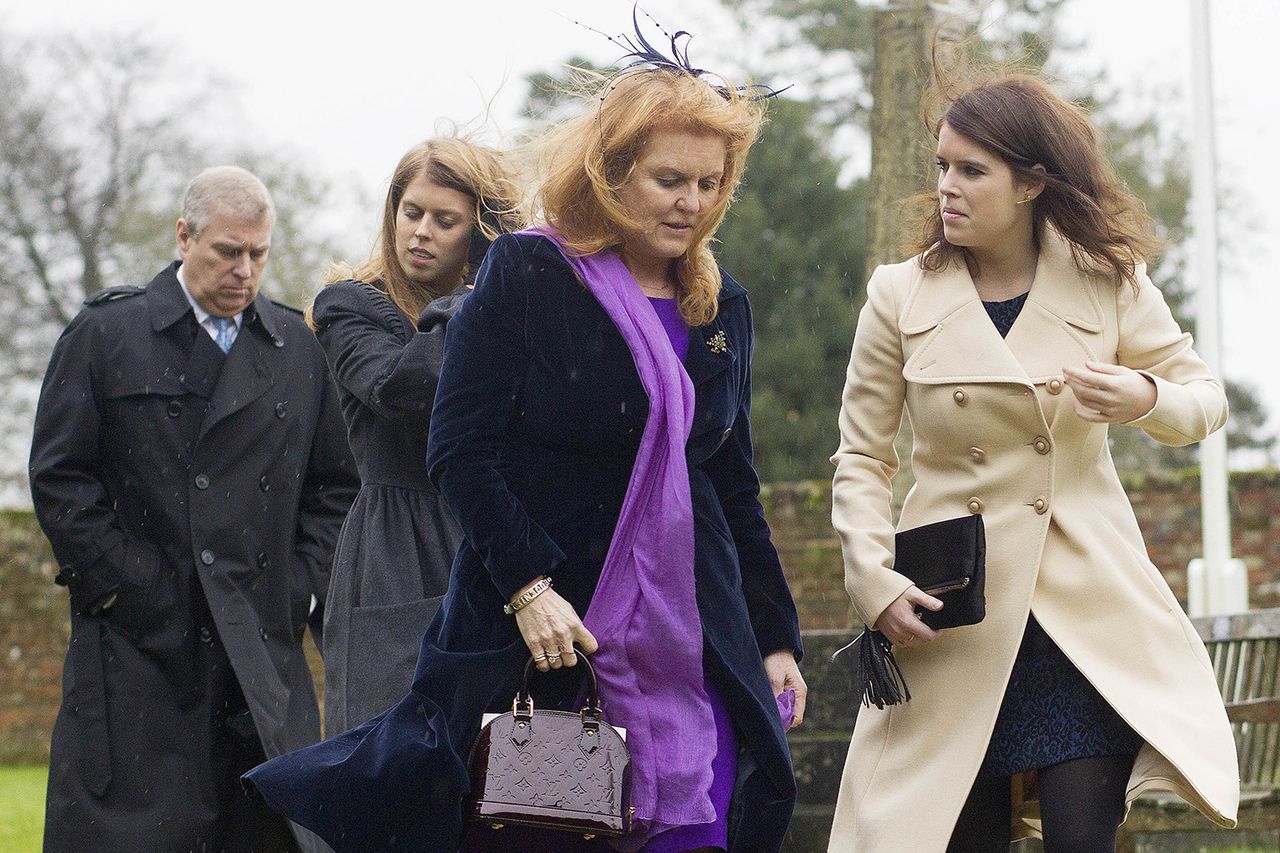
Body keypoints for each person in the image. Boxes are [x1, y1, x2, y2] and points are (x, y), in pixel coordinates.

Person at [245, 39, 808, 853]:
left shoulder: (719, 306)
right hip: (552, 639)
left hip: (692, 639)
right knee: (548, 832)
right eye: (669, 179)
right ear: (613, 174)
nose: (691, 201)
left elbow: (728, 479)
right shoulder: (531, 272)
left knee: (702, 830)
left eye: (709, 183)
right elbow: (459, 447)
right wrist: (528, 585)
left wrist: (775, 634)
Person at [826, 64, 1240, 853]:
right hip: (956, 614)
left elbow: (1205, 399)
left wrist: (1144, 395)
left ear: (1030, 184)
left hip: (1084, 614)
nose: (947, 185)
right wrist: (871, 579)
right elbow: (862, 459)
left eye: (972, 170)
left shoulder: (1108, 280)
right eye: (943, 165)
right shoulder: (898, 295)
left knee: (1083, 838)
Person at [30, 166, 359, 853]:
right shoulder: (106, 335)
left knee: (263, 834)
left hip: (258, 653)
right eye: (227, 251)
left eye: (258, 254)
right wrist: (127, 586)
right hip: (138, 650)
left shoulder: (298, 350)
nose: (245, 270)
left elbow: (336, 488)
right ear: (184, 237)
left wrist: (295, 586)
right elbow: (61, 477)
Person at [309, 137, 522, 734]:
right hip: (394, 548)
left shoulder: (513, 310)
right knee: (390, 754)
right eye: (412, 212)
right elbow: (403, 388)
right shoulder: (350, 306)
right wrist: (479, 300)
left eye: (444, 220)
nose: (421, 232)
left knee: (496, 759)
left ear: (479, 233)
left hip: (492, 534)